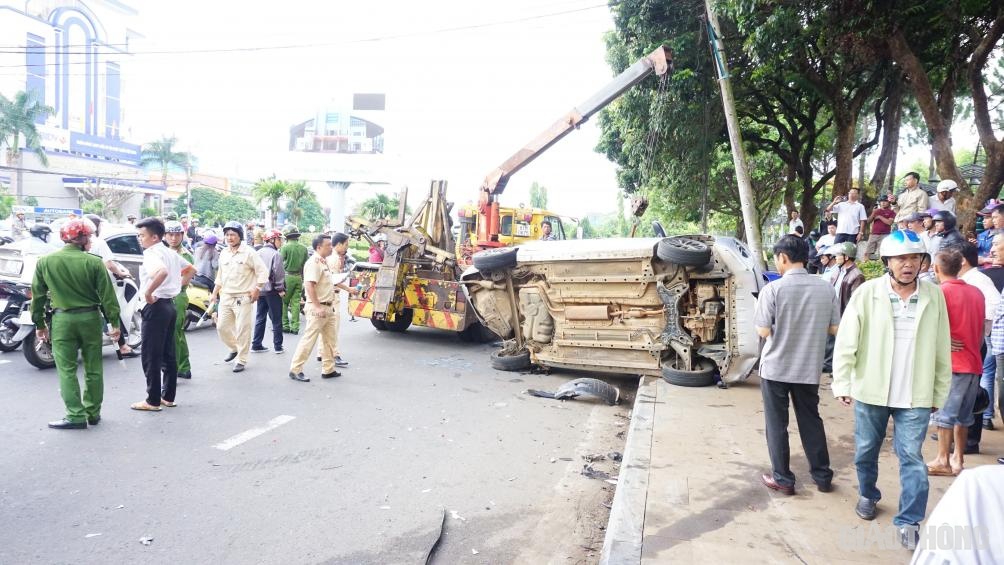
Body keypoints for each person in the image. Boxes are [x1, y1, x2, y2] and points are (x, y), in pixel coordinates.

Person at [832, 230, 951, 550]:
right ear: (888, 262)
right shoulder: (868, 293)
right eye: (901, 259)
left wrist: (940, 392)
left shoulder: (933, 295)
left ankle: (910, 520)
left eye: (914, 258)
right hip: (871, 390)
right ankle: (869, 494)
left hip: (916, 394)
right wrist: (842, 381)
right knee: (865, 451)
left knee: (912, 457)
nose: (908, 264)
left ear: (923, 261)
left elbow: (942, 346)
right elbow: (846, 340)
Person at [755, 235, 840, 495]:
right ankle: (822, 476)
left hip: (776, 368)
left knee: (777, 424)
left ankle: (783, 478)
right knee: (811, 420)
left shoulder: (773, 290)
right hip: (808, 369)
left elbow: (762, 331)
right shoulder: (826, 288)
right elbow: (834, 328)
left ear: (783, 258)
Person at [32, 219, 121, 429]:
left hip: (62, 320)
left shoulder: (45, 261)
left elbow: (38, 297)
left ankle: (75, 415)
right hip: (90, 319)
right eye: (88, 237)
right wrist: (114, 323)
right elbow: (108, 297)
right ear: (80, 239)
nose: (90, 240)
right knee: (94, 368)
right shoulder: (94, 262)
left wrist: (40, 323)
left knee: (67, 370)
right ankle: (93, 412)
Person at [926, 248, 984, 477]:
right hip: (973, 362)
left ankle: (943, 459)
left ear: (936, 268)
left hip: (953, 365)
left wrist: (944, 342)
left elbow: (930, 328)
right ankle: (958, 458)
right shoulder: (977, 293)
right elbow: (981, 332)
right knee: (964, 417)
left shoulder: (940, 293)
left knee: (945, 416)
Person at [131, 218, 193, 412]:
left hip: (156, 305)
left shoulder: (152, 253)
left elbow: (162, 272)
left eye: (142, 235)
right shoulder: (169, 252)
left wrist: (149, 292)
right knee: (168, 353)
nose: (140, 239)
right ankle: (168, 396)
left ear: (154, 236)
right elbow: (191, 270)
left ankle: (152, 400)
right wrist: (176, 286)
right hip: (169, 305)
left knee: (151, 355)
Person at [209, 221, 267, 373]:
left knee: (242, 329)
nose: (229, 238)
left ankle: (241, 359)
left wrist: (257, 289)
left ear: (239, 236)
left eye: (233, 235)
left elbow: (263, 272)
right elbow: (220, 276)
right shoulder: (224, 253)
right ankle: (234, 348)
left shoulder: (249, 252)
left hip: (243, 297)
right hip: (226, 296)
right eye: (227, 235)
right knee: (221, 327)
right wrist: (214, 294)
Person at [288, 234, 347, 382]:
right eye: (328, 245)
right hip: (318, 308)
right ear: (319, 247)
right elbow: (309, 285)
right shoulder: (314, 262)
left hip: (328, 307)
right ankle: (296, 369)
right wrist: (316, 306)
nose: (331, 247)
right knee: (309, 340)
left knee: (329, 340)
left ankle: (328, 369)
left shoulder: (323, 262)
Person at [83, 214, 138, 360]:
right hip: (96, 285)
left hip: (76, 287)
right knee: (110, 309)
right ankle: (123, 346)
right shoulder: (97, 242)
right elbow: (109, 264)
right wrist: (121, 273)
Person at [164, 221, 196, 380]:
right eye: (170, 234)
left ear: (182, 235)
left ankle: (175, 367)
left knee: (174, 333)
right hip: (165, 295)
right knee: (176, 333)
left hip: (178, 296)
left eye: (177, 234)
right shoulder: (162, 252)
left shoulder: (186, 255)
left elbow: (184, 279)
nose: (174, 238)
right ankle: (184, 367)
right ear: (165, 236)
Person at [251, 229, 286, 354]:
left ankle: (256, 344)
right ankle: (278, 346)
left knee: (260, 317)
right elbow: (278, 274)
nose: (280, 242)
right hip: (272, 291)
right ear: (272, 240)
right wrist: (280, 289)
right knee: (276, 319)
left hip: (260, 290)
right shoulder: (275, 254)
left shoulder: (258, 252)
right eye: (279, 239)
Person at [280, 225, 309, 335]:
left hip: (287, 277)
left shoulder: (285, 247)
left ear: (287, 236)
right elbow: (306, 265)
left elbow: (279, 263)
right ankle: (295, 327)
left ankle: (285, 325)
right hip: (298, 278)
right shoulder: (304, 248)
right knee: (296, 302)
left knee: (284, 302)